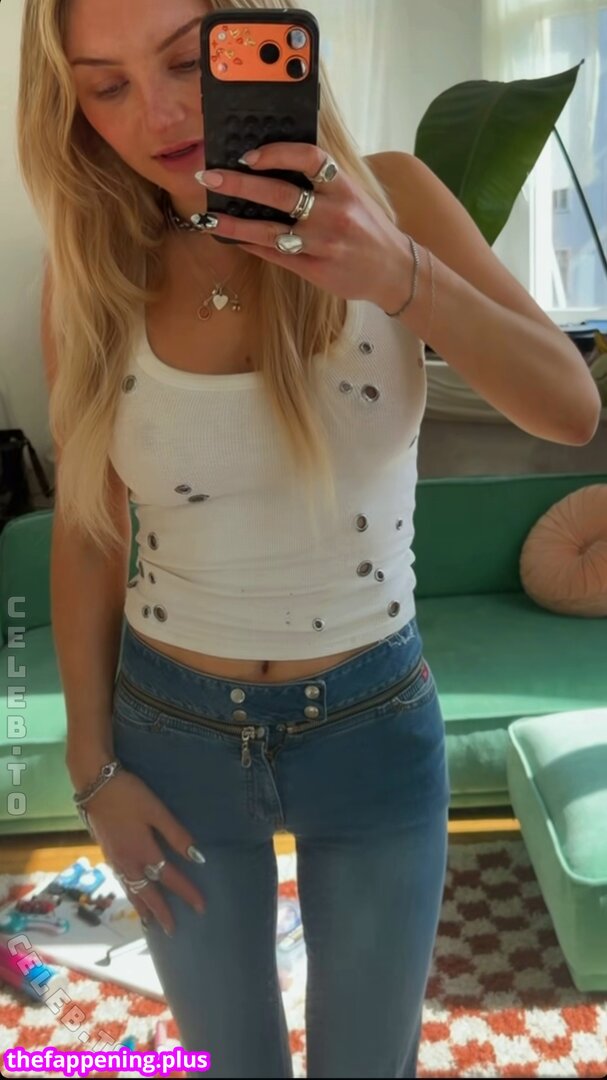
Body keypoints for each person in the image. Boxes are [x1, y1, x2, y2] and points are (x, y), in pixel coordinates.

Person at [17, 0, 601, 1077]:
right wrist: (91, 768)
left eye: (188, 62)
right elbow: (90, 532)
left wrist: (396, 272)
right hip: (171, 737)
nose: (158, 114)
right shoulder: (93, 269)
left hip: (373, 730)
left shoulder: (394, 196)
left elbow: (570, 409)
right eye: (106, 86)